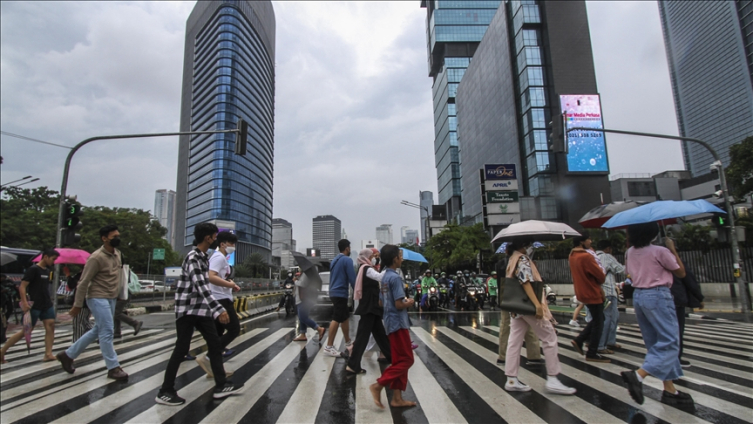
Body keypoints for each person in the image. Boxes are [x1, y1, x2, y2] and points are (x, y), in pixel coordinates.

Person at [155, 223, 243, 406]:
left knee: (214, 344)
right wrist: (219, 310)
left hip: (202, 309)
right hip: (188, 310)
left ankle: (221, 385)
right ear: (207, 238)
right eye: (213, 237)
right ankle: (165, 390)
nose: (215, 240)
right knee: (181, 348)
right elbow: (201, 286)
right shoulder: (193, 257)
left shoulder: (204, 257)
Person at [619, 222, 692, 408]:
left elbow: (629, 274)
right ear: (652, 233)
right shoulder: (660, 251)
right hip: (658, 294)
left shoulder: (630, 252)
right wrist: (673, 250)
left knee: (655, 343)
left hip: (639, 296)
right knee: (670, 341)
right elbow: (681, 273)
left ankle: (670, 389)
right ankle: (638, 375)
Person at [502, 241, 576, 394]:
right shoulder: (522, 259)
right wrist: (537, 305)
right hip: (528, 305)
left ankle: (511, 379)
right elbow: (525, 281)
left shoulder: (512, 259)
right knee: (549, 337)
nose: (530, 248)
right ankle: (553, 378)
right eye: (529, 245)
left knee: (514, 341)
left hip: (517, 307)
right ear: (523, 246)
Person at [57, 226, 129, 380]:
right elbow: (83, 282)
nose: (117, 238)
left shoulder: (118, 254)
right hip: (97, 297)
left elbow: (118, 276)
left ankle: (68, 355)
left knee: (98, 329)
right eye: (114, 236)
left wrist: (121, 294)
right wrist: (77, 305)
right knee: (107, 331)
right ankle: (113, 367)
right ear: (104, 238)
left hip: (111, 297)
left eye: (118, 235)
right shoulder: (96, 257)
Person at [369, 245, 416, 409]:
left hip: (389, 322)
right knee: (407, 359)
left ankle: (397, 398)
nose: (401, 259)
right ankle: (379, 385)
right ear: (394, 259)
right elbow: (398, 304)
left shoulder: (384, 278)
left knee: (398, 360)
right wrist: (408, 302)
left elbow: (382, 302)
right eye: (400, 256)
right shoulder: (395, 278)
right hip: (398, 323)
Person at [1, 248, 59, 364]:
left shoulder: (47, 271)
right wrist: (25, 303)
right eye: (53, 259)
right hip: (34, 305)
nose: (54, 262)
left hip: (46, 303)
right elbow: (22, 287)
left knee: (50, 326)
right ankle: (2, 351)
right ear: (46, 257)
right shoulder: (33, 270)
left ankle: (48, 353)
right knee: (26, 331)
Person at [346, 249, 391, 374]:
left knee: (380, 334)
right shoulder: (367, 268)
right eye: (372, 256)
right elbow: (380, 277)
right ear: (366, 257)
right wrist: (389, 265)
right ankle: (352, 364)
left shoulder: (364, 268)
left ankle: (392, 357)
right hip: (369, 306)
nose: (373, 258)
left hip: (371, 306)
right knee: (363, 336)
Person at [494, 255, 543, 367]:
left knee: (506, 327)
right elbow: (526, 280)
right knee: (529, 326)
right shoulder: (521, 260)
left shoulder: (503, 262)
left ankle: (504, 357)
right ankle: (534, 355)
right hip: (521, 297)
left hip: (507, 298)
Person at [569, 233, 609, 363]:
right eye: (588, 239)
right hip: (592, 291)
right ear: (582, 242)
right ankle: (592, 351)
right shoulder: (586, 257)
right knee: (599, 322)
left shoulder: (572, 255)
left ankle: (580, 340)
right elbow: (601, 277)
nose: (590, 242)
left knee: (599, 318)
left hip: (582, 291)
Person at [208, 231, 241, 359]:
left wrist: (232, 284)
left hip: (220, 297)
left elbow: (219, 277)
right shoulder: (219, 257)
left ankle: (215, 367)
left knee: (218, 332)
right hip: (220, 299)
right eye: (231, 243)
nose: (233, 246)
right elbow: (211, 276)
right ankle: (209, 356)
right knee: (233, 329)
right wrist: (230, 285)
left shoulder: (221, 258)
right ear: (222, 244)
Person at [323, 239, 356, 357]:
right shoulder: (347, 260)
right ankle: (329, 346)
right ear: (347, 248)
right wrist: (358, 292)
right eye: (350, 248)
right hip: (340, 292)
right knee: (337, 317)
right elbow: (352, 278)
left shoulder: (334, 260)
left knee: (344, 316)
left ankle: (348, 342)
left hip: (333, 291)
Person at [595, 240, 625, 354]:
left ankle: (609, 341)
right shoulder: (607, 256)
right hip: (608, 291)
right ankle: (601, 345)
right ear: (608, 249)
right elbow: (621, 269)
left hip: (598, 291)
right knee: (608, 319)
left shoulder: (593, 256)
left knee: (611, 318)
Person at [670, 266, 704, 369]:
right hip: (676, 299)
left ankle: (664, 358)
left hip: (658, 299)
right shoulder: (675, 262)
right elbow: (689, 281)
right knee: (677, 330)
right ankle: (676, 358)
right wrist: (699, 298)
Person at [293, 272, 326, 342]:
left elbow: (303, 284)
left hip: (304, 300)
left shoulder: (306, 274)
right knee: (302, 317)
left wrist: (295, 281)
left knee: (303, 318)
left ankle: (319, 329)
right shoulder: (305, 274)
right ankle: (302, 334)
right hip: (304, 299)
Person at [113, 265, 144, 338]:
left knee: (116, 312)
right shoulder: (125, 269)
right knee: (116, 312)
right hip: (125, 293)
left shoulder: (120, 270)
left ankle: (135, 323)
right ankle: (117, 332)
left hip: (123, 293)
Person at [66, 269, 93, 343]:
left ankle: (77, 343)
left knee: (78, 323)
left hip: (82, 302)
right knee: (85, 322)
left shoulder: (85, 274)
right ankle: (99, 333)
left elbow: (76, 286)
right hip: (86, 301)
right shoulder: (83, 273)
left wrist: (68, 276)